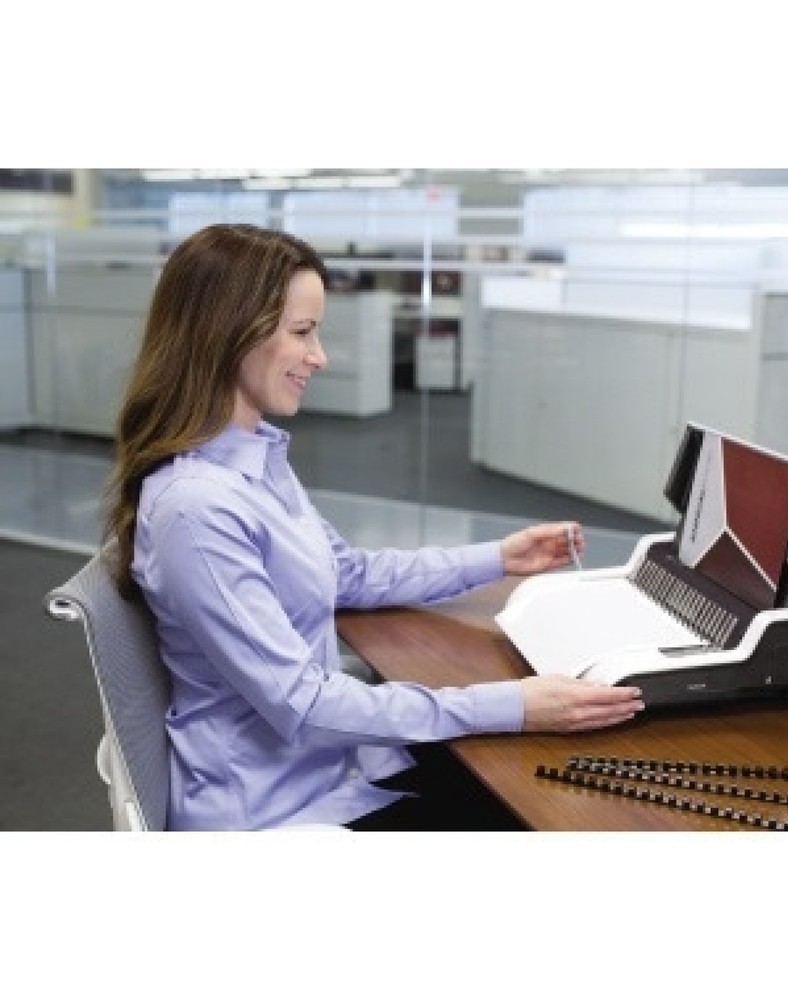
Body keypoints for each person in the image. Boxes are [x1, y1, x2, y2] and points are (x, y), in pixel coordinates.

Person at [102, 223, 644, 832]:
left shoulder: (254, 459)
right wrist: (512, 705)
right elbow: (304, 703)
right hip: (279, 812)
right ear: (229, 333)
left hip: (332, 769)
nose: (319, 356)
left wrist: (499, 558)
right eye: (302, 332)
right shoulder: (198, 510)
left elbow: (347, 573)